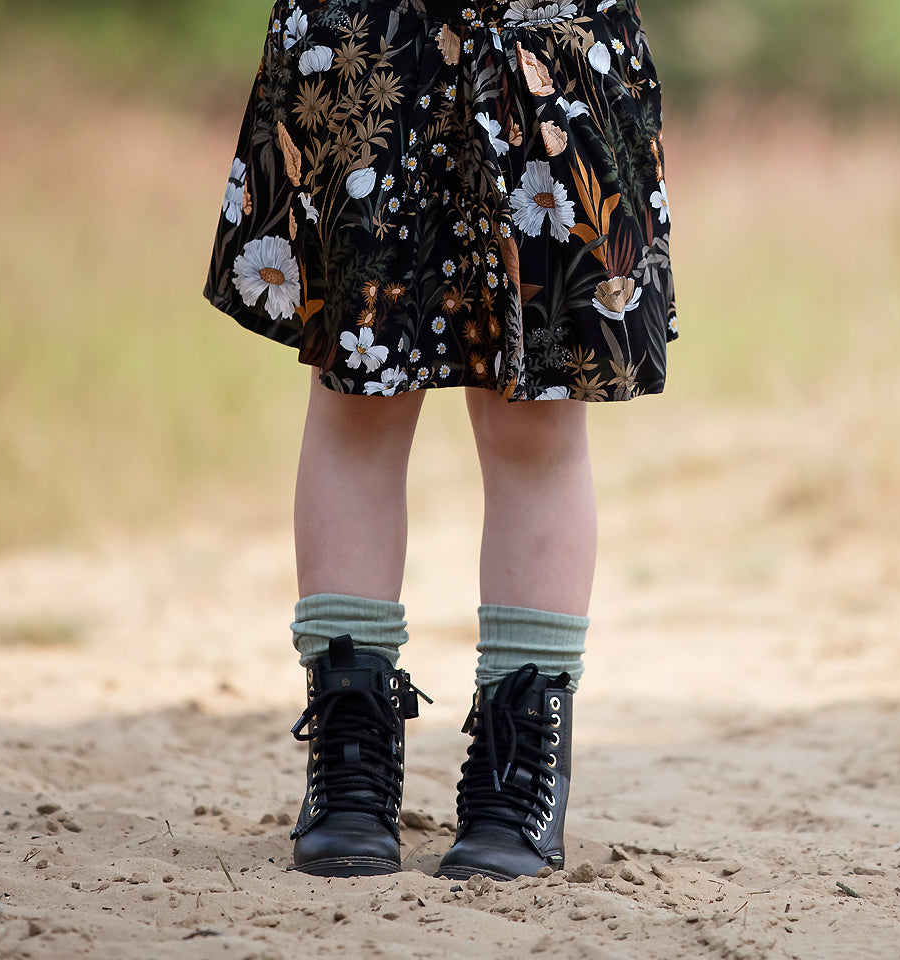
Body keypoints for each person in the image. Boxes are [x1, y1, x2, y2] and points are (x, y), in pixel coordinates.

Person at [204, 0, 676, 881]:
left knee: (534, 416)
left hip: (552, 44)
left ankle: (519, 764)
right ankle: (349, 759)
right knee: (359, 398)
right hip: (372, 41)